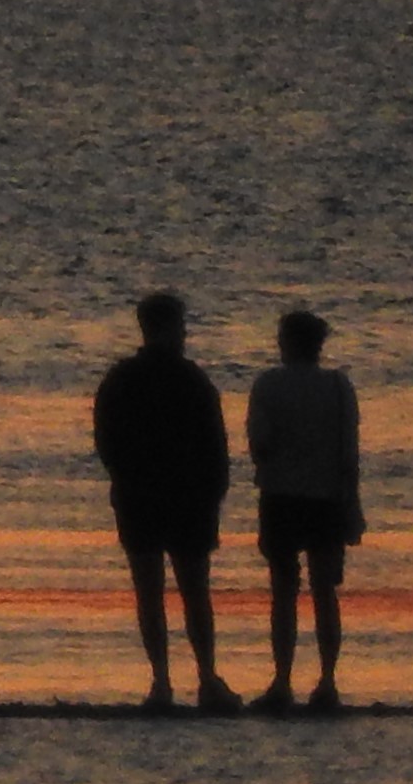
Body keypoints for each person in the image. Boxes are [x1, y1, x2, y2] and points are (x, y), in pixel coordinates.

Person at [92, 292, 240, 714]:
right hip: (188, 497)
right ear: (174, 328)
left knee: (149, 590)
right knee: (195, 590)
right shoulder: (192, 379)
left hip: (139, 495)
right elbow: (216, 444)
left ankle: (161, 681)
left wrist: (123, 478)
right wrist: (216, 492)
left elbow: (105, 439)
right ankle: (207, 677)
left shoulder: (121, 379)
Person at [245, 308, 364, 714]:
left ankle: (282, 681)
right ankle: (327, 681)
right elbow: (349, 453)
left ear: (286, 342)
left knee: (283, 591)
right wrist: (353, 507)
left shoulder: (268, 385)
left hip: (281, 496)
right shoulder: (337, 386)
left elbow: (259, 444)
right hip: (328, 498)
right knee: (325, 592)